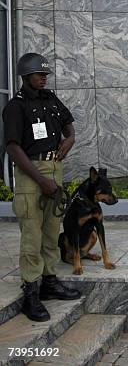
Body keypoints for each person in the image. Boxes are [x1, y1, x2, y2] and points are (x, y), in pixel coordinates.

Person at [2, 53, 81, 322]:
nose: (44, 77)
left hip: (54, 170)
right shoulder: (16, 106)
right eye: (39, 74)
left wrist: (69, 140)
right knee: (32, 236)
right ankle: (31, 293)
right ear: (26, 76)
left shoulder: (51, 99)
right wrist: (41, 180)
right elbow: (12, 147)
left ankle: (49, 282)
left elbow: (69, 126)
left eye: (46, 74)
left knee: (50, 231)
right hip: (30, 174)